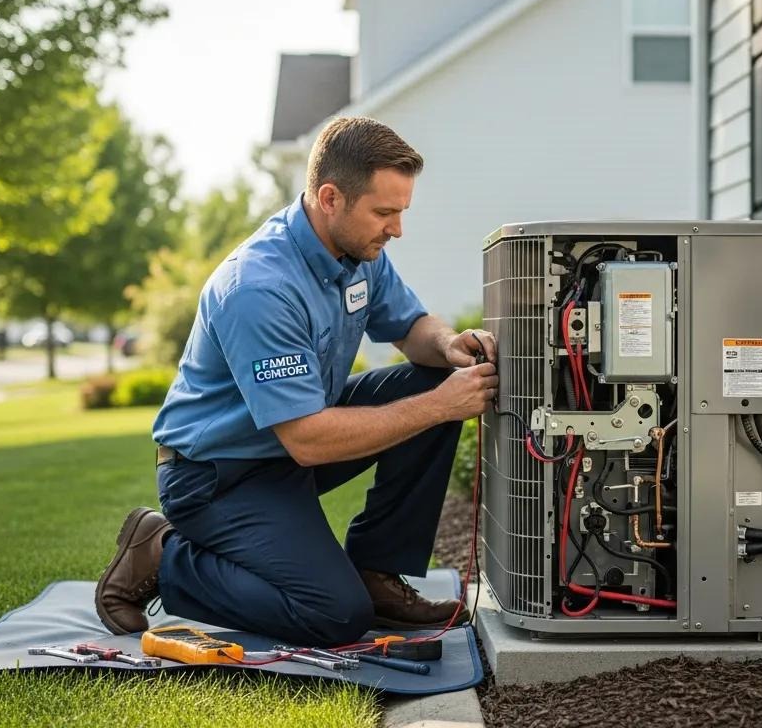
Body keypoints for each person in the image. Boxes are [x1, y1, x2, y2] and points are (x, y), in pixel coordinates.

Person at [94, 117, 499, 647]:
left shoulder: (359, 253)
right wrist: (441, 406)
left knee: (434, 380)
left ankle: (377, 574)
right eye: (384, 212)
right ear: (330, 198)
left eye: (401, 211)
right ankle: (162, 554)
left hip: (287, 447)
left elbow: (410, 326)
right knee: (334, 614)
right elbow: (308, 441)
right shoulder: (258, 287)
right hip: (217, 475)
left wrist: (448, 345)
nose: (396, 229)